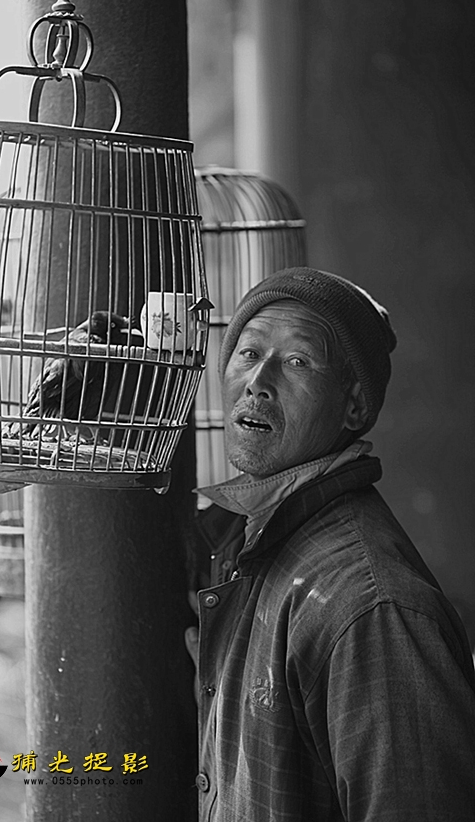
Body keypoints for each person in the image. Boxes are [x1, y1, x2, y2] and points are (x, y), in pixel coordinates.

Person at [185, 266, 475, 821]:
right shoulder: (249, 538)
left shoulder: (373, 608)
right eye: (248, 353)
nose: (258, 381)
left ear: (354, 406)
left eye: (297, 361)